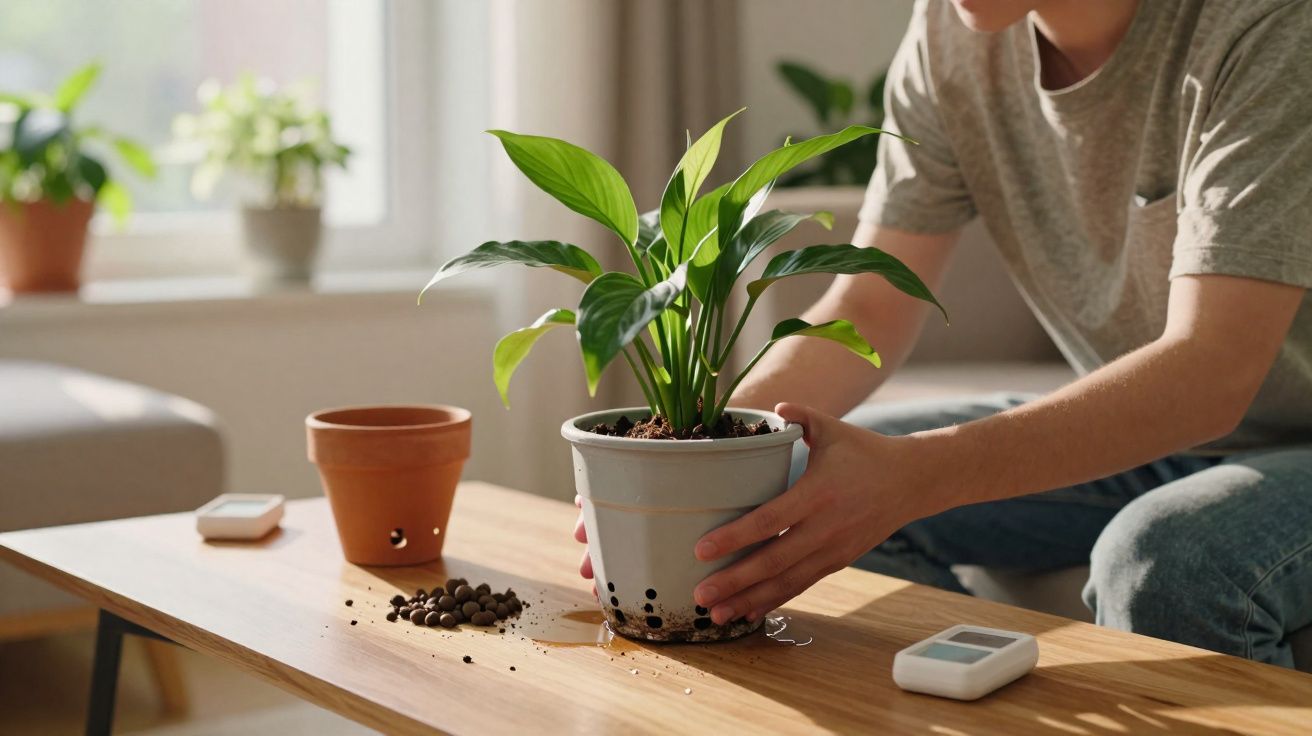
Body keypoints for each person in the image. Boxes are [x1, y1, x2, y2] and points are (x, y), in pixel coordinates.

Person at [577, 0, 1312, 667]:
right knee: (798, 478)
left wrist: (913, 477)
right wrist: (699, 448)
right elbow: (871, 303)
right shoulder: (950, 33)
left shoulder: (1267, 27)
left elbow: (1213, 373)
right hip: (1159, 444)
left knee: (1168, 558)